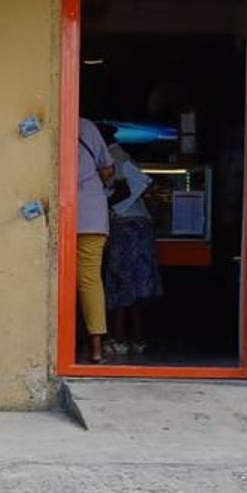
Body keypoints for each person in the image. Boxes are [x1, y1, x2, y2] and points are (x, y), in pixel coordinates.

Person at [102, 129, 162, 356]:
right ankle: (137, 338)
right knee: (135, 288)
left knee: (120, 284)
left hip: (124, 226)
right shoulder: (125, 156)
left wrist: (105, 201)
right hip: (141, 226)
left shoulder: (110, 157)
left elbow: (124, 189)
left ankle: (118, 339)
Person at [76, 115, 115, 365]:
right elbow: (108, 169)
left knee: (53, 278)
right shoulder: (87, 126)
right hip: (91, 212)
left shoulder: (48, 122)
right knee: (90, 279)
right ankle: (96, 347)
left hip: (60, 210)